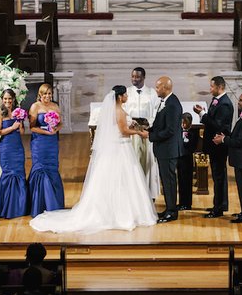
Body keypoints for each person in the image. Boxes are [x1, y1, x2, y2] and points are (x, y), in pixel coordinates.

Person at [30, 86, 158, 233]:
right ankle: (122, 213)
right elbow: (123, 131)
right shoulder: (119, 111)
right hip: (121, 148)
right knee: (124, 178)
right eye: (125, 95)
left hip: (115, 147)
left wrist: (132, 125)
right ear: (119, 97)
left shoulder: (112, 110)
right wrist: (138, 133)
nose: (127, 97)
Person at [213, 92, 242, 223]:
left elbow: (239, 141)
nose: (239, 102)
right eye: (239, 100)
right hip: (241, 159)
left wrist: (223, 140)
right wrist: (226, 136)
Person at [195, 76, 234, 219]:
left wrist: (202, 115)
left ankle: (218, 209)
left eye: (212, 87)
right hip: (214, 145)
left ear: (220, 87)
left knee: (219, 177)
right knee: (219, 176)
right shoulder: (217, 100)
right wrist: (204, 113)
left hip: (218, 145)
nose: (210, 89)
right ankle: (220, 204)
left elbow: (218, 125)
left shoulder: (224, 104)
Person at [150, 76, 185, 223]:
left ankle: (172, 212)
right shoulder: (166, 101)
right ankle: (169, 208)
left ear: (165, 87)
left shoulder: (172, 104)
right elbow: (162, 125)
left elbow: (170, 131)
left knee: (169, 181)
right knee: (166, 180)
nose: (156, 89)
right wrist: (149, 128)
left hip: (169, 150)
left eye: (158, 87)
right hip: (164, 149)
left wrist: (151, 135)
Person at [27, 83, 65, 216]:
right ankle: (38, 204)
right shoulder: (35, 107)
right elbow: (31, 127)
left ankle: (54, 203)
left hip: (52, 142)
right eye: (45, 94)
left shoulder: (55, 106)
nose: (47, 96)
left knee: (52, 168)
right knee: (40, 168)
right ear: (40, 95)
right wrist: (46, 132)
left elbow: (61, 123)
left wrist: (55, 129)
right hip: (39, 142)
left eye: (49, 94)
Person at [124, 67, 161, 199]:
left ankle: (148, 192)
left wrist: (149, 123)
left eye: (137, 77)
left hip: (146, 130)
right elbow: (123, 111)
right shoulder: (127, 92)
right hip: (132, 131)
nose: (134, 79)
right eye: (133, 76)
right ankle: (134, 192)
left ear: (143, 78)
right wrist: (129, 121)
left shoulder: (152, 93)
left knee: (147, 160)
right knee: (133, 159)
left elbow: (157, 111)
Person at [0, 88, 28, 219]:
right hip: (6, 146)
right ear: (2, 100)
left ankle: (20, 207)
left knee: (19, 172)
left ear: (13, 99)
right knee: (9, 172)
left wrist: (19, 125)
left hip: (17, 146)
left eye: (10, 98)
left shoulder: (17, 112)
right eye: (5, 99)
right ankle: (6, 207)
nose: (8, 101)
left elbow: (22, 132)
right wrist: (12, 127)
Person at [177, 112, 199, 210]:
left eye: (185, 123)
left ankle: (187, 203)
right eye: (182, 123)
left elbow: (193, 147)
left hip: (187, 159)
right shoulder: (178, 132)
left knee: (187, 182)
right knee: (181, 181)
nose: (183, 125)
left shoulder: (193, 133)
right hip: (180, 158)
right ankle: (181, 202)